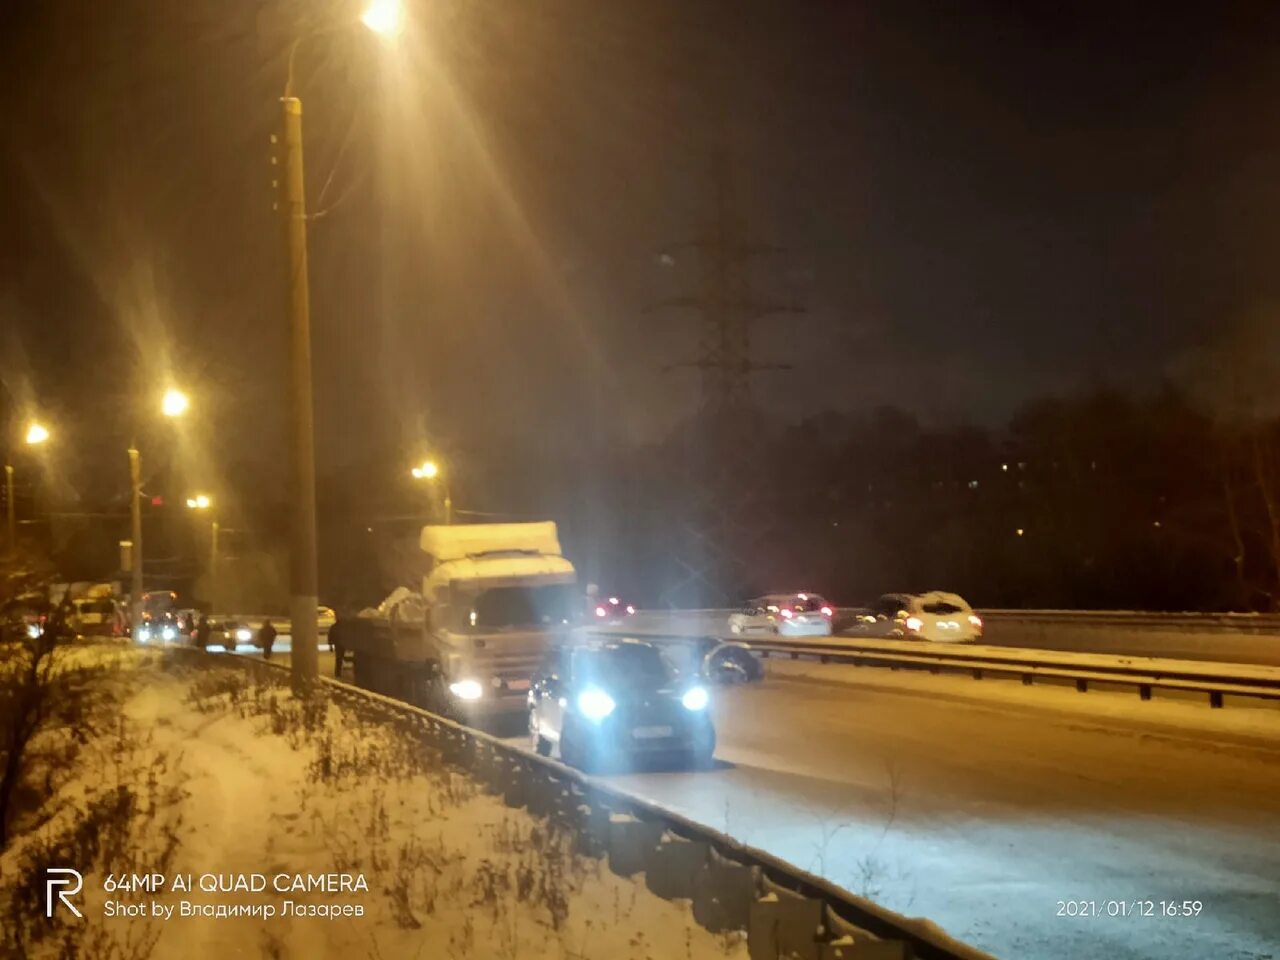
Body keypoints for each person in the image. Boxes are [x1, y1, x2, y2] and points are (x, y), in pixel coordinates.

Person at [329, 613, 346, 679]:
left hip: (338, 644)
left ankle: (338, 673)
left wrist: (330, 646)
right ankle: (338, 672)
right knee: (340, 658)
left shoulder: (334, 627)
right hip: (341, 644)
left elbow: (330, 637)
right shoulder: (343, 627)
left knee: (339, 658)